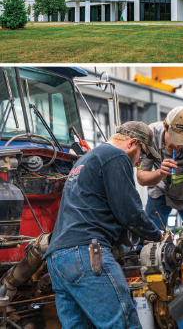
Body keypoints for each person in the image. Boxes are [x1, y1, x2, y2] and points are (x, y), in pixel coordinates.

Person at [45, 121, 163, 327]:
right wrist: (158, 235)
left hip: (57, 260)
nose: (139, 162)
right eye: (142, 155)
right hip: (87, 254)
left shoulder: (84, 161)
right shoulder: (116, 156)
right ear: (132, 143)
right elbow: (130, 213)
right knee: (123, 324)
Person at [138, 106, 183, 228]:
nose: (177, 146)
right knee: (150, 235)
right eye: (175, 139)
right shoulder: (150, 137)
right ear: (165, 126)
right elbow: (141, 178)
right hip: (160, 190)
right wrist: (160, 173)